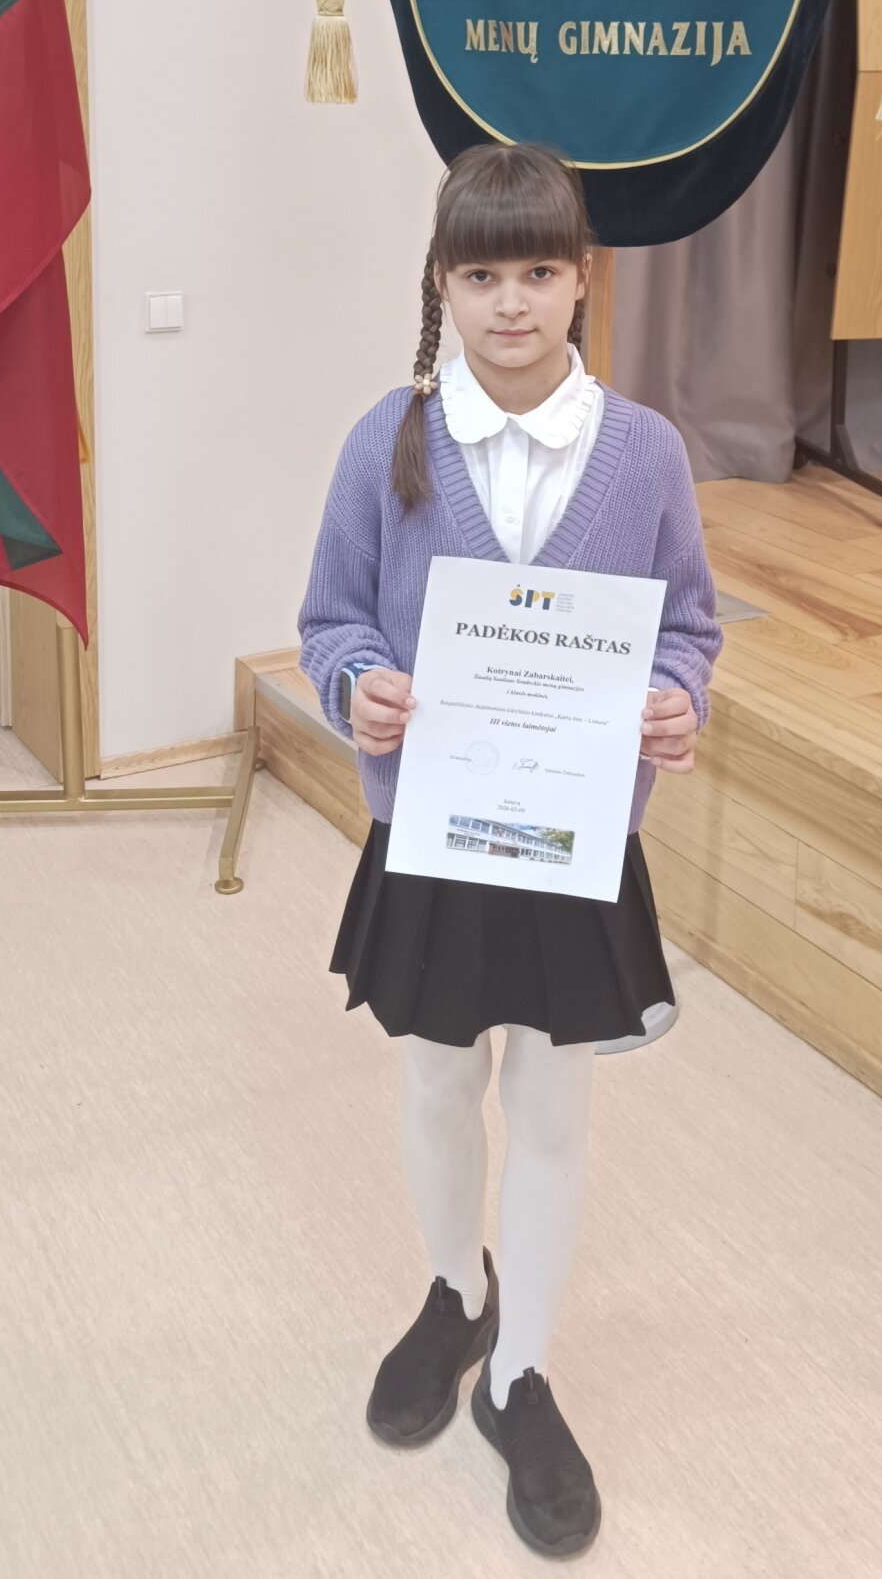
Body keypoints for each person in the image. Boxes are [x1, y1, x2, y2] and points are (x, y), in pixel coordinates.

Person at [298, 141, 722, 1559]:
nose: (514, 302)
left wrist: (676, 700)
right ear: (442, 283)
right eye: (482, 275)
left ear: (582, 279)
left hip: (570, 839)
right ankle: (453, 1292)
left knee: (548, 1104)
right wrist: (359, 685)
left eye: (540, 270)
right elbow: (330, 620)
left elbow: (686, 626)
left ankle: (521, 1372)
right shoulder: (391, 440)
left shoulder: (645, 453)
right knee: (435, 1077)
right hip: (433, 829)